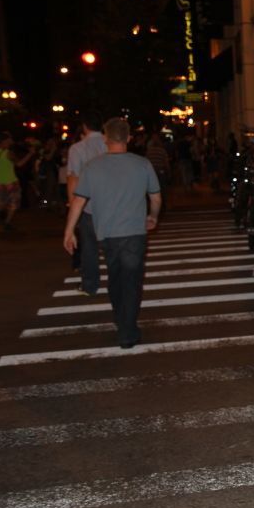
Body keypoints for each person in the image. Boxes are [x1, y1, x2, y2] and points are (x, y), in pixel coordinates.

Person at [62, 118, 161, 349]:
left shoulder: (92, 167)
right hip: (134, 232)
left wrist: (69, 231)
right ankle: (127, 328)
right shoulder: (142, 164)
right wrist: (153, 216)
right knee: (132, 280)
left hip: (106, 233)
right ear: (129, 138)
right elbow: (155, 197)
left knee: (116, 278)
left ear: (105, 139)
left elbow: (78, 200)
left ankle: (122, 321)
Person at [66, 112, 108, 295]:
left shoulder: (77, 149)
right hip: (111, 202)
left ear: (85, 126)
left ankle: (90, 285)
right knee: (112, 245)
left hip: (87, 204)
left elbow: (73, 179)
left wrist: (72, 204)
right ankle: (118, 282)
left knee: (89, 247)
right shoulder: (110, 144)